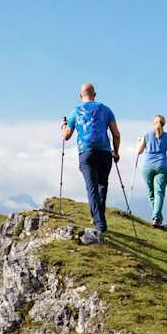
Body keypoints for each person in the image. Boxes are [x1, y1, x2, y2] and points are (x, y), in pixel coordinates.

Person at [61, 83, 121, 238]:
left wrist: (63, 126)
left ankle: (99, 223)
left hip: (86, 152)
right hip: (105, 152)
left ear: (80, 95)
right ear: (95, 94)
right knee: (102, 185)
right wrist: (116, 152)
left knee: (91, 187)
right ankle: (99, 219)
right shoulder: (106, 110)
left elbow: (66, 136)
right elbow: (116, 134)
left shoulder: (75, 111)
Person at [135, 115, 167, 226]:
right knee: (159, 192)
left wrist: (139, 141)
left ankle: (156, 217)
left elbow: (139, 151)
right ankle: (157, 217)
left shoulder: (146, 135)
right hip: (162, 166)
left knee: (151, 193)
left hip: (147, 166)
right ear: (164, 124)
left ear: (153, 124)